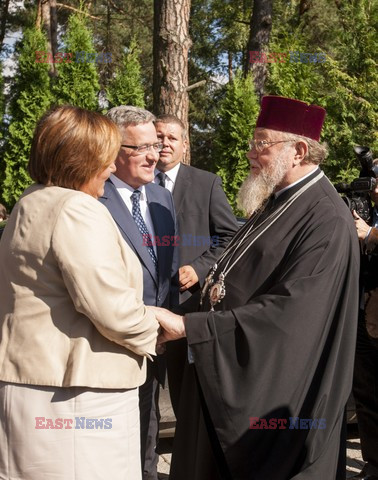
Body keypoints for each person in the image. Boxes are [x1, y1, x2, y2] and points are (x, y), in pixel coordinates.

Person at [152, 96, 360, 480]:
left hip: (270, 394)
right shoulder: (278, 200)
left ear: (298, 150)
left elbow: (292, 314)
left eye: (261, 144)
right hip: (223, 363)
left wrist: (192, 329)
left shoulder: (325, 218)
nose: (250, 153)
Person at [0, 105, 159, 480]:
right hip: (75, 401)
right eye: (105, 160)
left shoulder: (30, 201)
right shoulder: (77, 209)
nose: (112, 169)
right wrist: (157, 328)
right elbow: (110, 308)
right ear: (81, 160)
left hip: (31, 388)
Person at [99, 106, 178, 480]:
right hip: (110, 346)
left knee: (149, 431)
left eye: (157, 144)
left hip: (156, 344)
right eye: (142, 147)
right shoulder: (91, 200)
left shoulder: (161, 199)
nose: (155, 155)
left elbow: (165, 274)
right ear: (114, 150)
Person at [154, 114, 238, 415]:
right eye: (159, 137)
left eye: (172, 138)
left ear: (185, 144)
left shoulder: (206, 183)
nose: (164, 143)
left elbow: (230, 236)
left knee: (184, 401)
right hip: (142, 306)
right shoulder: (133, 184)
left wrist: (200, 267)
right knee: (141, 404)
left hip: (185, 308)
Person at [352, 166, 378, 480]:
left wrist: (370, 234)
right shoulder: (368, 212)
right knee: (366, 393)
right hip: (362, 313)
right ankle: (374, 463)